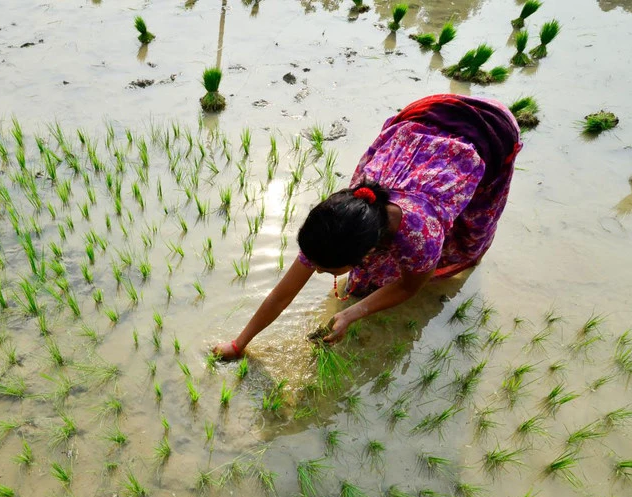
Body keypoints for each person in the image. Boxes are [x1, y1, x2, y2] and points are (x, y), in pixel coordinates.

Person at [213, 93, 522, 360]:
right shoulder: (337, 221)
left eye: (326, 269)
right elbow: (282, 296)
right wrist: (239, 344)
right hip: (426, 118)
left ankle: (473, 256)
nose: (317, 272)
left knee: (472, 229)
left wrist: (352, 312)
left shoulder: (422, 234)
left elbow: (409, 286)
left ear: (369, 250)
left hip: (489, 134)